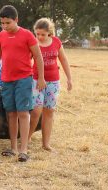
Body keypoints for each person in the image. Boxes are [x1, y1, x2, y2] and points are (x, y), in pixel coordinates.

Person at [0, 5, 46, 162]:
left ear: (16, 20)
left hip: (24, 79)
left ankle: (24, 150)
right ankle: (13, 148)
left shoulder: (27, 35)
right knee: (11, 114)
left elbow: (38, 57)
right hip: (6, 80)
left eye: (8, 23)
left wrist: (41, 78)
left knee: (23, 113)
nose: (4, 26)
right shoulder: (2, 37)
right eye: (2, 23)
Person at [28, 18, 72, 151]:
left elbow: (63, 59)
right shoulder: (33, 43)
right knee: (36, 111)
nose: (40, 37)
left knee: (49, 111)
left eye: (43, 34)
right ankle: (26, 138)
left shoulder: (57, 42)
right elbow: (27, 61)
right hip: (36, 80)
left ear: (49, 33)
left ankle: (46, 144)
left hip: (53, 81)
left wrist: (69, 78)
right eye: (37, 34)